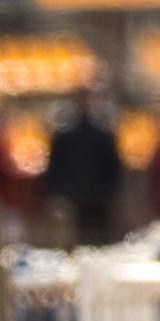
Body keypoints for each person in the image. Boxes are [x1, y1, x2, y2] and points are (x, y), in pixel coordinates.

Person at [43, 89, 122, 246]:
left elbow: (112, 165)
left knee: (96, 238)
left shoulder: (100, 134)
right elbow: (56, 165)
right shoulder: (66, 136)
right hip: (75, 195)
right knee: (79, 239)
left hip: (96, 195)